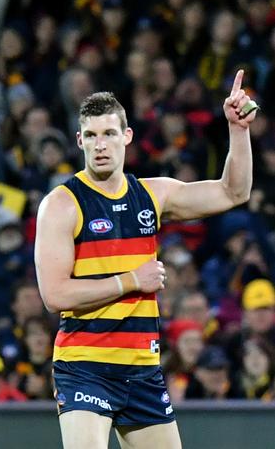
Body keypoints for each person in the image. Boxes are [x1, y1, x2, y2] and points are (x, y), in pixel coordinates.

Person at [35, 70, 255, 449]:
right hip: (85, 366)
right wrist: (131, 280)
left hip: (142, 369)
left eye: (108, 134)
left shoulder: (153, 195)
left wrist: (238, 131)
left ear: (127, 136)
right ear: (79, 141)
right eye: (90, 135)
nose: (99, 144)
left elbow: (232, 193)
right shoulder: (61, 204)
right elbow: (55, 295)